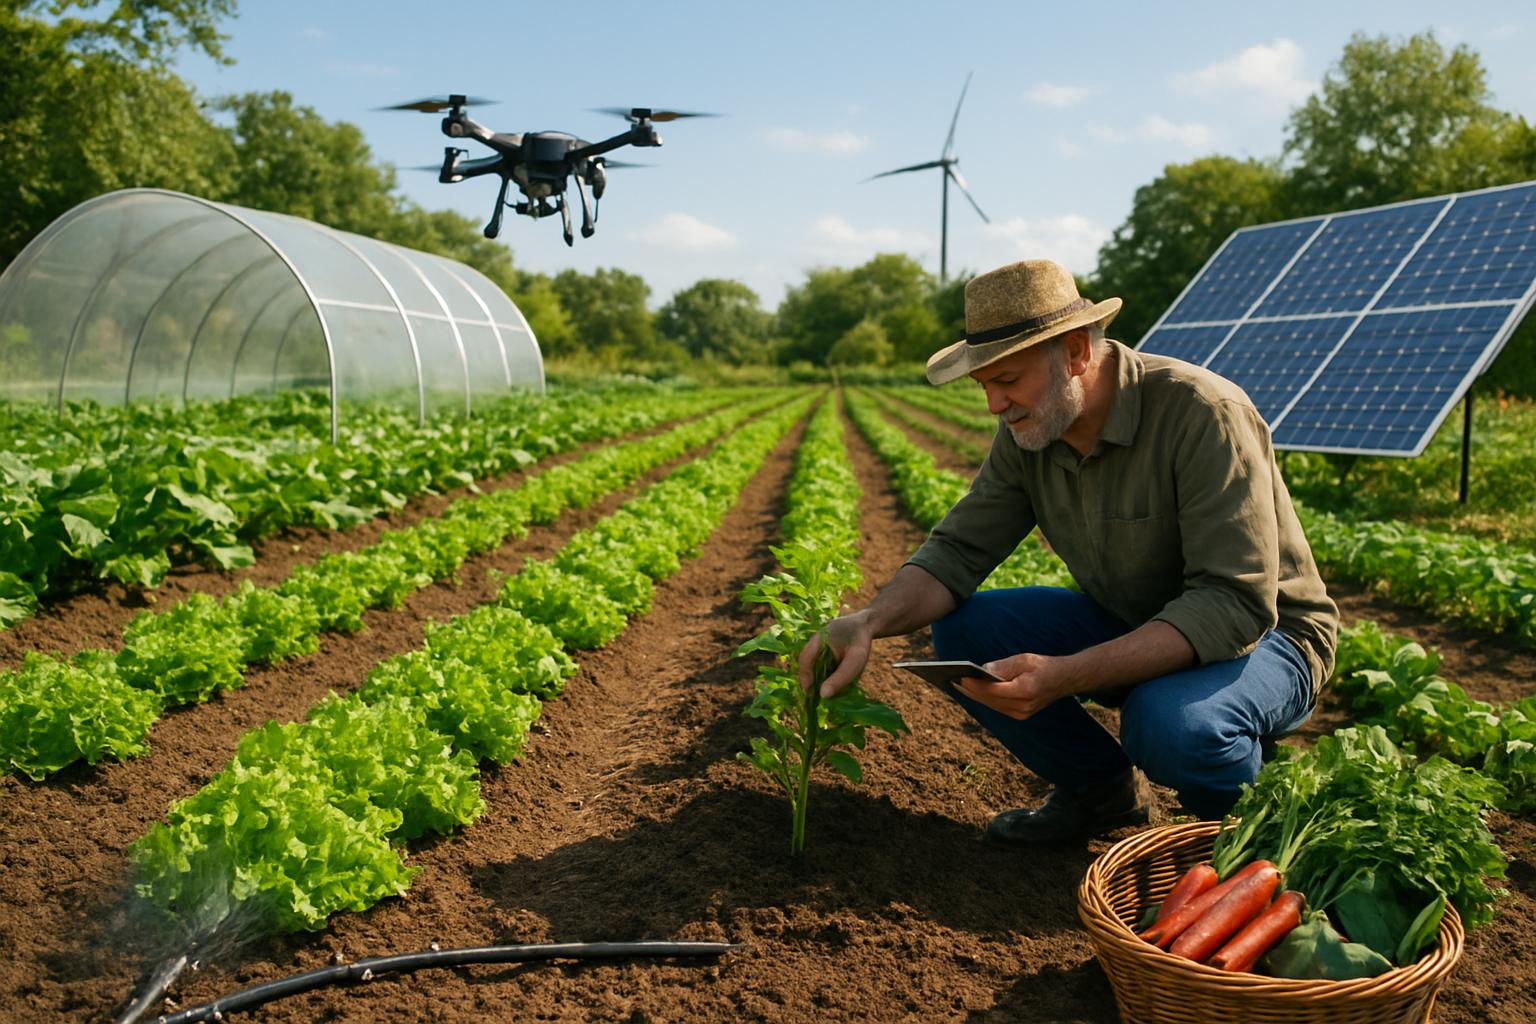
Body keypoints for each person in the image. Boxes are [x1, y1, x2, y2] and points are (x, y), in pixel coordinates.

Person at [804, 259, 1338, 845]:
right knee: (967, 635)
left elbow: (1232, 604)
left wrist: (1064, 675)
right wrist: (866, 621)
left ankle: (1242, 842)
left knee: (1170, 724)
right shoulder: (1030, 433)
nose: (994, 405)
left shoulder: (1202, 413)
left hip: (1270, 639)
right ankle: (1102, 794)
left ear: (1077, 353)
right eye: (984, 386)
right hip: (1136, 618)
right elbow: (958, 549)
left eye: (1007, 379)